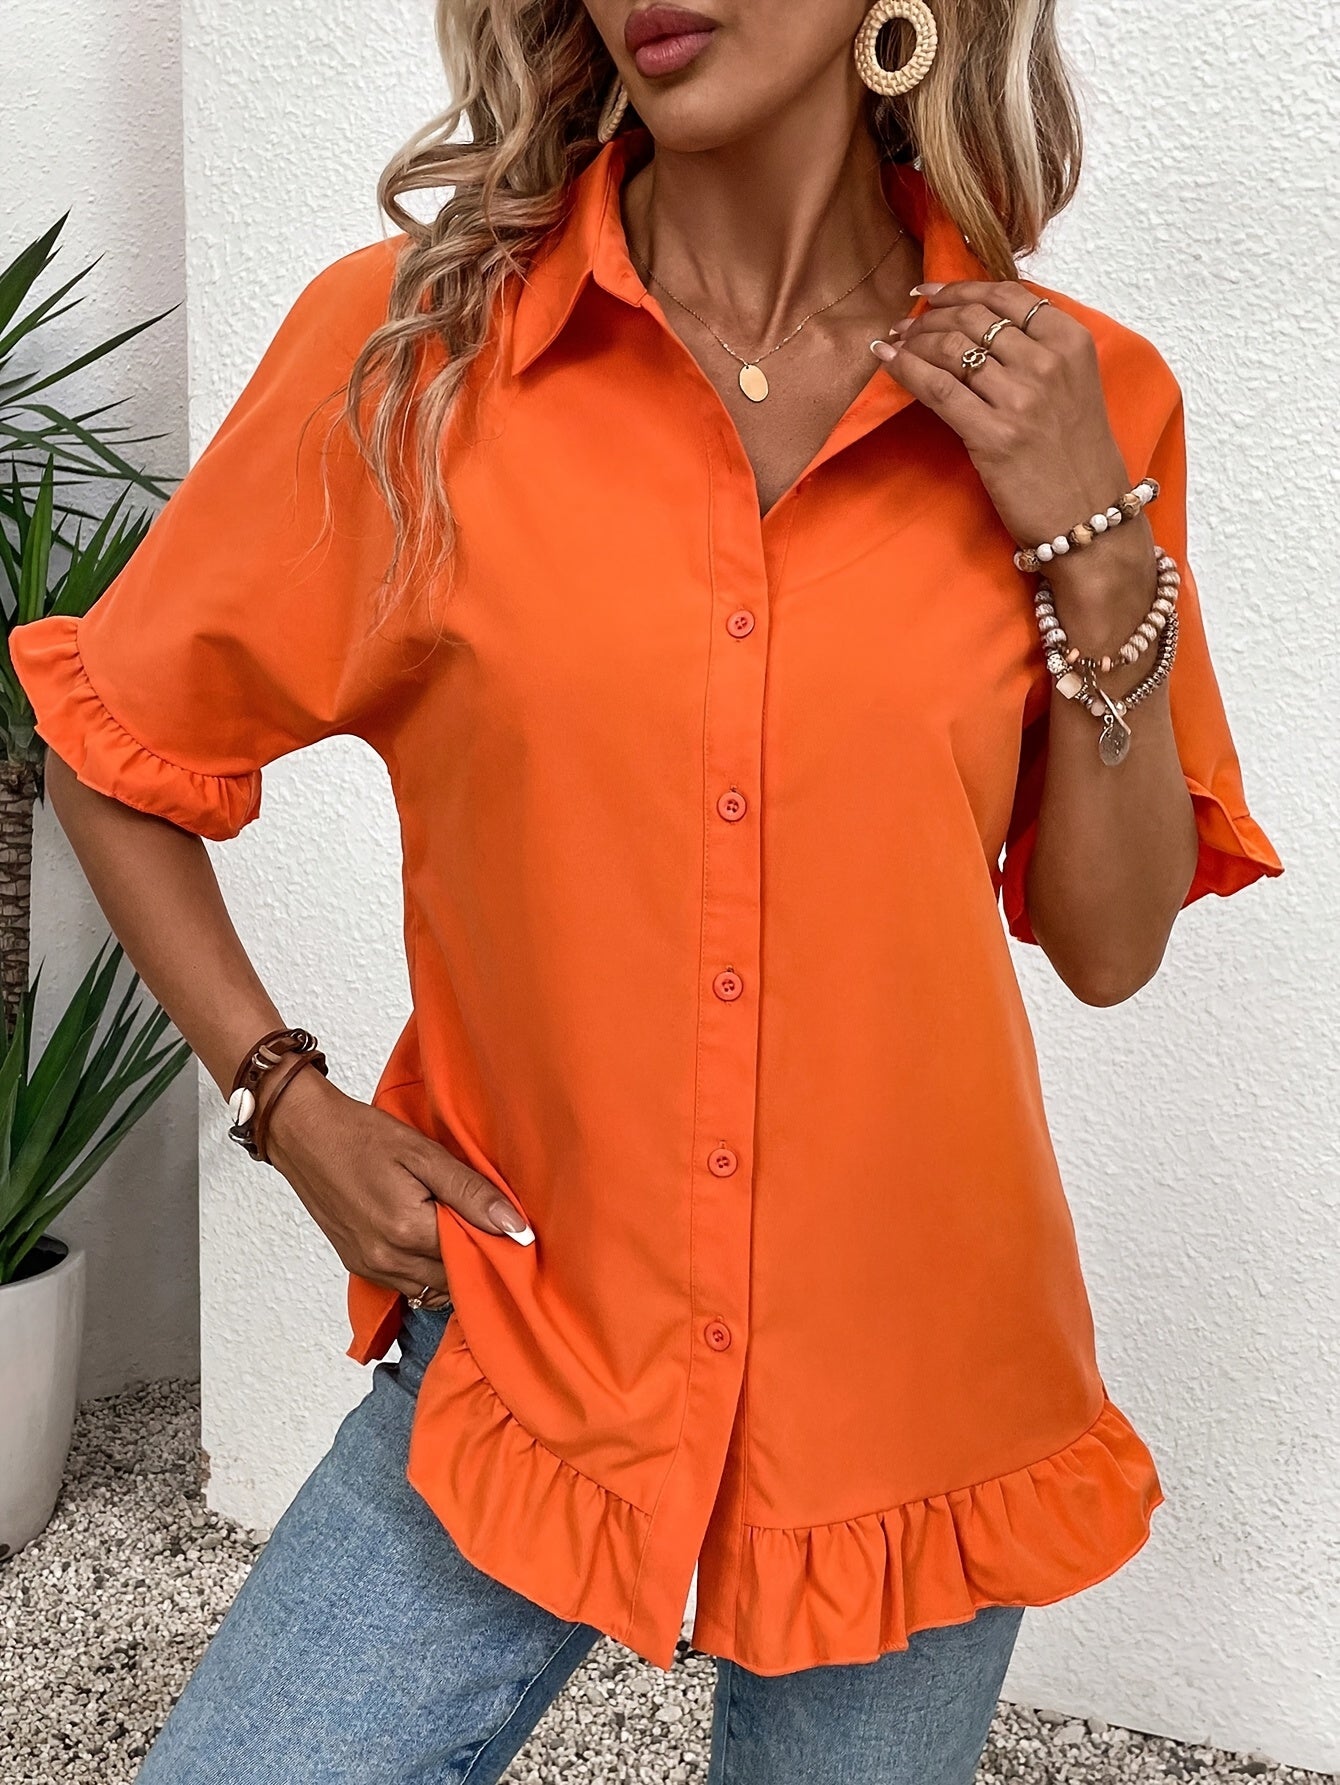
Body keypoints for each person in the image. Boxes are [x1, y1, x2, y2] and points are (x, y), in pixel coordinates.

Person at [15, 1, 1282, 1780]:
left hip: (919, 1405)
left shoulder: (1077, 397)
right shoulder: (418, 357)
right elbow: (114, 743)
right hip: (530, 1345)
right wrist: (283, 1100)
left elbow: (1110, 938)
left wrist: (1091, 545)